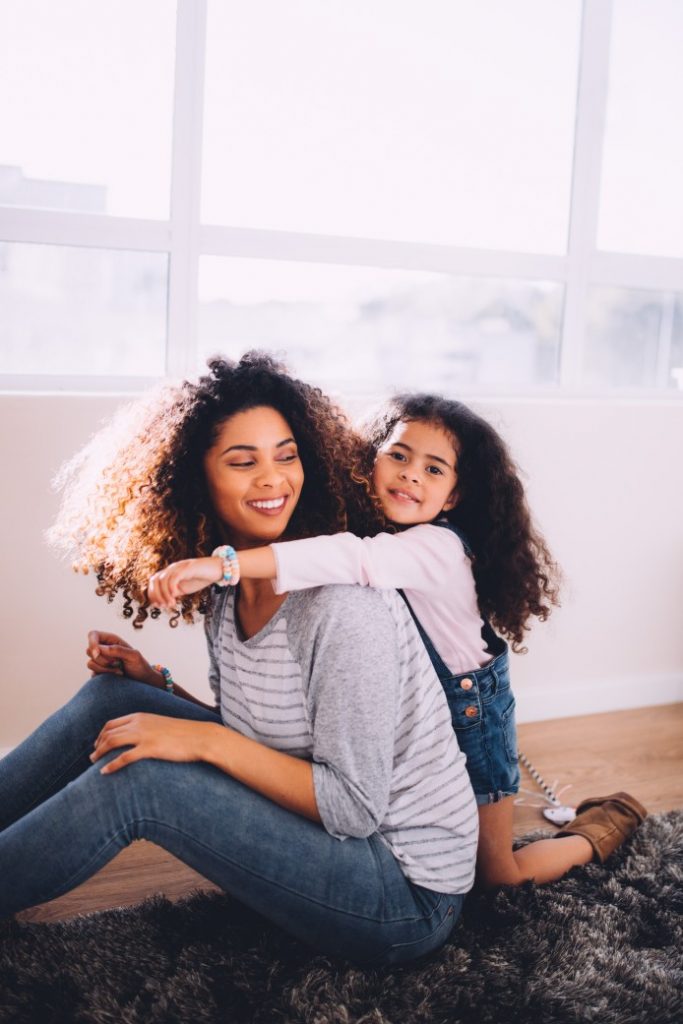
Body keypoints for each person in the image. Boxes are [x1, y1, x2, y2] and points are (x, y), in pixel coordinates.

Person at [0, 354, 479, 967]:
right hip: (336, 840)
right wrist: (157, 685)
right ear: (194, 478)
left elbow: (352, 809)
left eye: (286, 456)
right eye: (243, 461)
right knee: (113, 700)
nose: (273, 480)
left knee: (145, 782)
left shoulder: (341, 606)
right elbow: (253, 736)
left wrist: (200, 740)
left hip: (402, 893)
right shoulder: (228, 587)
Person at [149, 392, 647, 888]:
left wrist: (225, 565)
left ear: (453, 496)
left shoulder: (437, 548)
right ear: (371, 461)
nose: (411, 475)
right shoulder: (371, 531)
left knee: (498, 875)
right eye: (399, 456)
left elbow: (355, 558)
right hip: (418, 723)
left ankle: (605, 825)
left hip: (471, 717)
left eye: (433, 469)